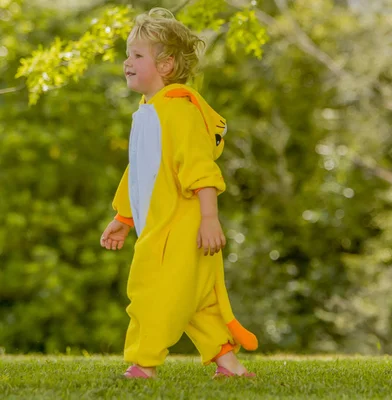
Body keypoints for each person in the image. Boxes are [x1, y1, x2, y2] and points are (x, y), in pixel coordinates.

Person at [99, 7, 257, 379]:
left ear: (166, 66)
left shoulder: (178, 112)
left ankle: (144, 363)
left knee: (153, 292)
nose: (127, 62)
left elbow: (200, 168)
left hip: (181, 228)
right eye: (128, 54)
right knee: (197, 300)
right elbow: (139, 172)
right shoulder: (149, 110)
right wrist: (123, 218)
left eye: (137, 56)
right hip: (165, 226)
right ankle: (229, 364)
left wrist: (208, 218)